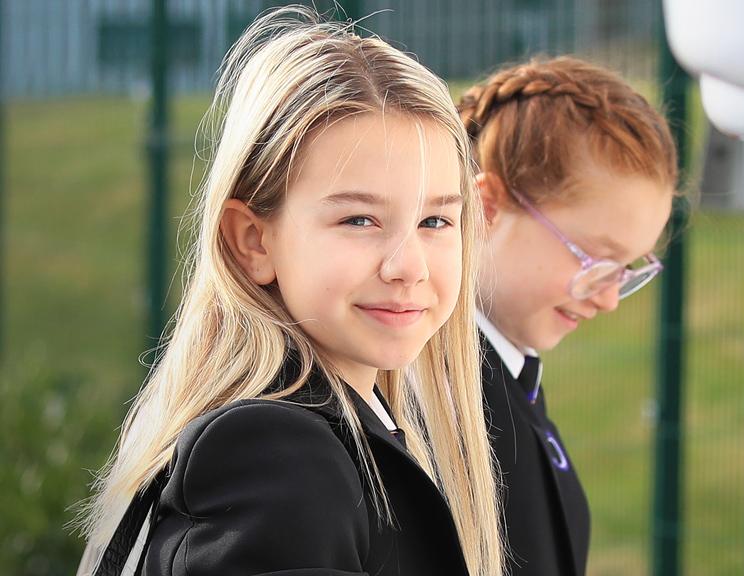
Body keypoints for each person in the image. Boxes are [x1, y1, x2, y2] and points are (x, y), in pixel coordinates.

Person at [77, 6, 503, 575]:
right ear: (254, 240)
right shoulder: (275, 455)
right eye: (358, 220)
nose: (409, 267)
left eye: (435, 222)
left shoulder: (350, 431)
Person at [457, 56, 680, 576]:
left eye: (625, 269)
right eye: (593, 261)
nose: (606, 299)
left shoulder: (507, 376)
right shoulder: (440, 397)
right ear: (487, 207)